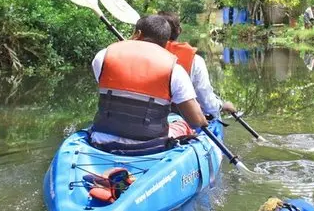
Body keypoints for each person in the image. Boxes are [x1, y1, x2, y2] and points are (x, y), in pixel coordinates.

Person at [90, 15, 208, 155]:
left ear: (137, 34)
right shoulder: (175, 70)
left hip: (101, 140)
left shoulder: (103, 56)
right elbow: (196, 121)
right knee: (180, 122)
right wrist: (205, 122)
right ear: (166, 43)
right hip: (151, 146)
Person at [157, 11, 237, 118]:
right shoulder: (195, 61)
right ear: (179, 31)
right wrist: (221, 106)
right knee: (213, 114)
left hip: (148, 118)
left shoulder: (145, 55)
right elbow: (208, 104)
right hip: (183, 120)